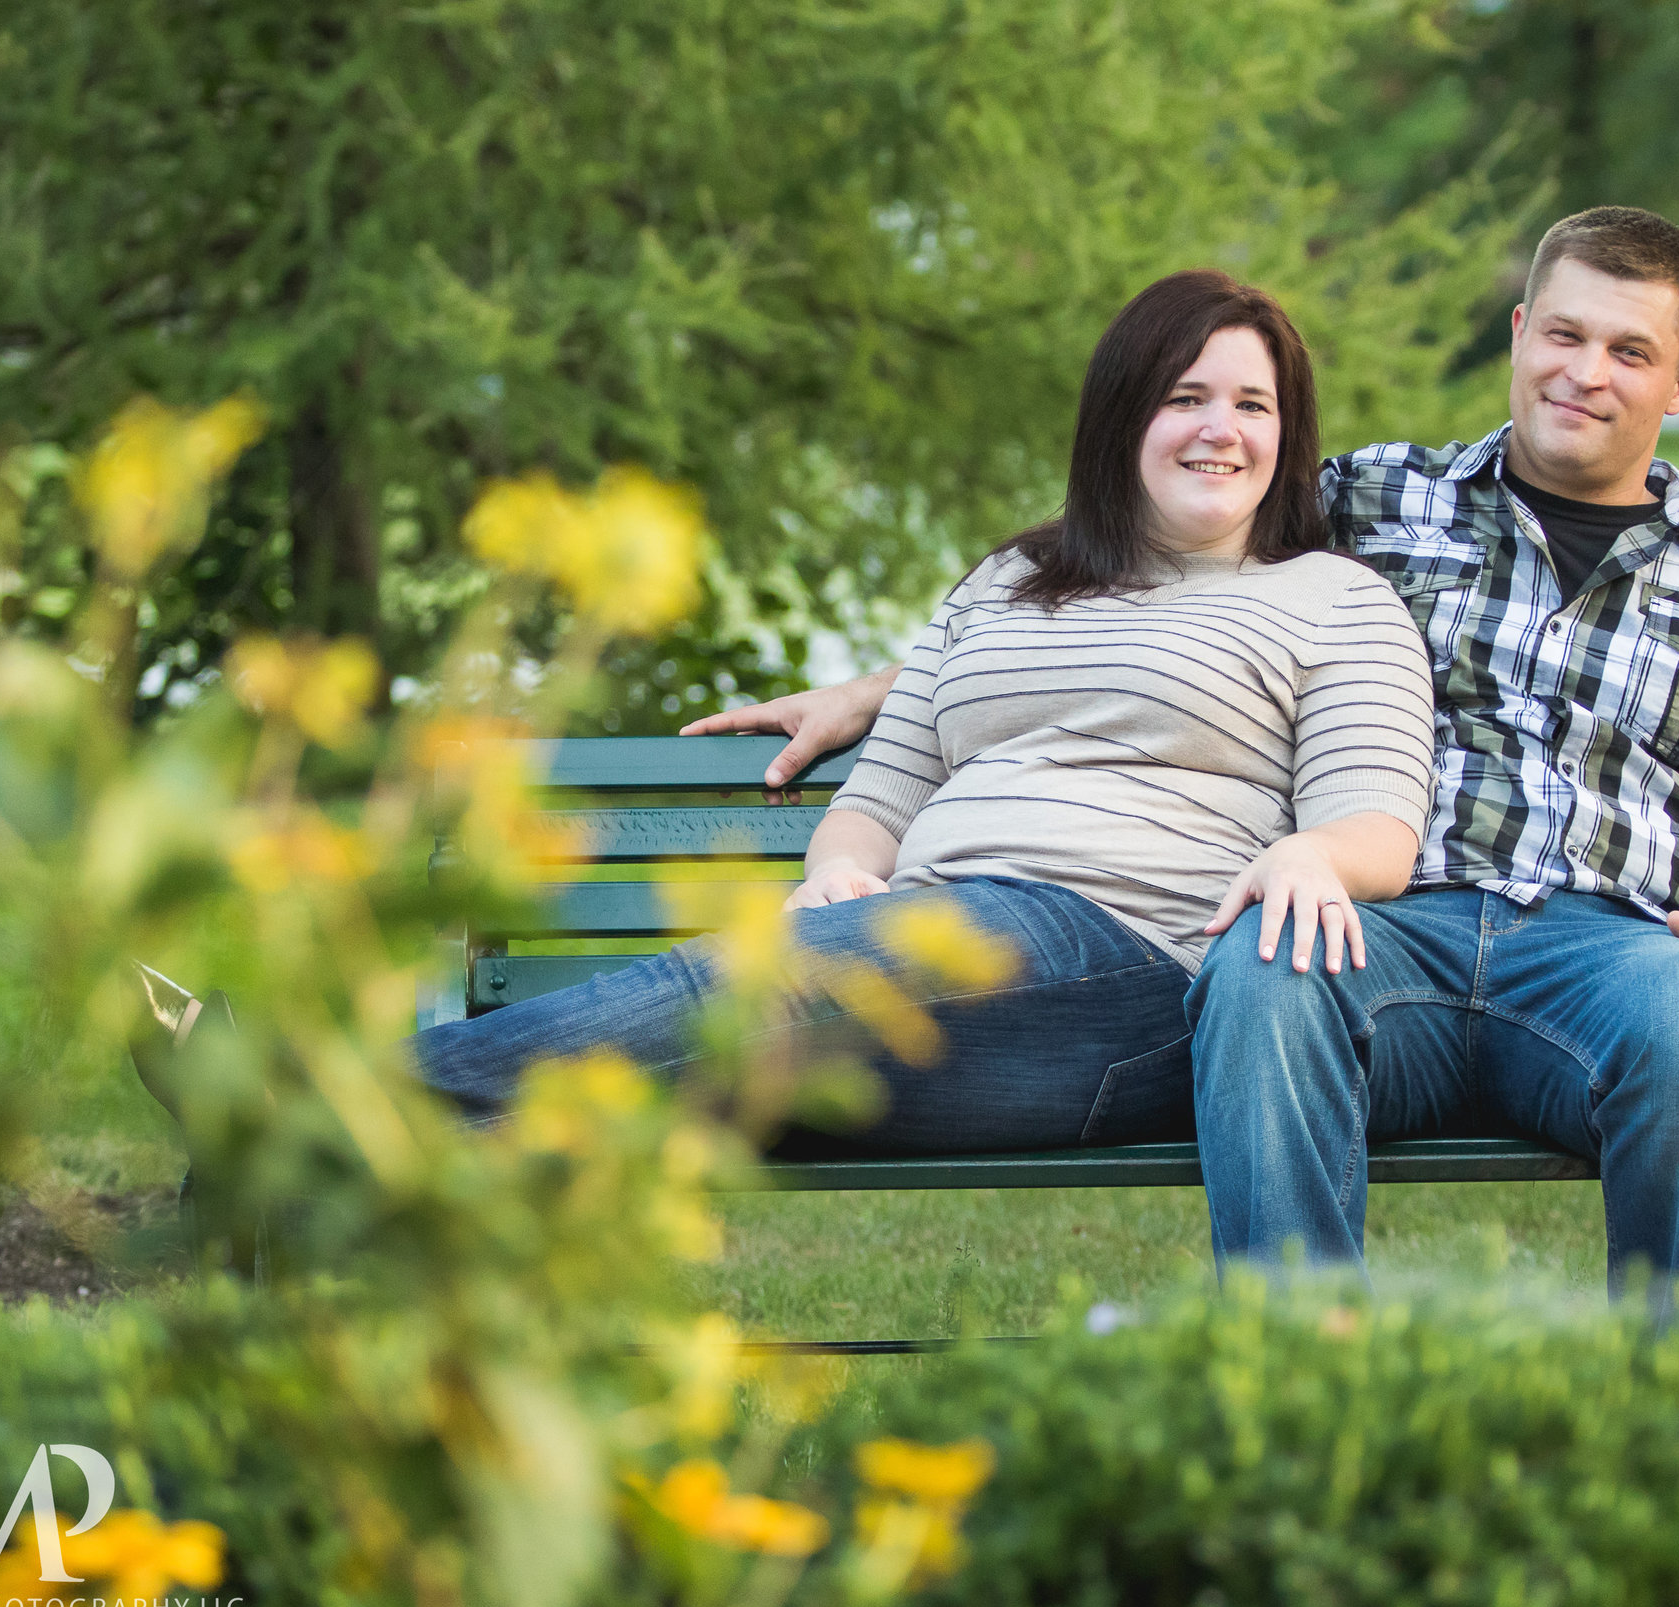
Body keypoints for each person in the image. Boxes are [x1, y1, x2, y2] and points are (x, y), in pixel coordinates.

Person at [687, 208, 1679, 1302]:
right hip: (1376, 921)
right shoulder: (1367, 499)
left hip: (1610, 951)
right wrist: (890, 685)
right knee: (1263, 969)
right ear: (1518, 334)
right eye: (1562, 333)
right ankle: (1301, 1395)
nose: (1584, 371)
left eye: (1628, 351)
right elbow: (1149, 584)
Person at [400, 270, 1438, 1149]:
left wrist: (1316, 857)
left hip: (1136, 972)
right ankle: (375, 1152)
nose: (1222, 429)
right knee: (728, 1047)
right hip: (935, 963)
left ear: (1287, 430)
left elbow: (1377, 827)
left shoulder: (1332, 598)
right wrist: (839, 867)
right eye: (1186, 396)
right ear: (1125, 414)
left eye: (1253, 405)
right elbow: (887, 789)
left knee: (775, 991)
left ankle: (362, 1098)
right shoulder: (1011, 580)